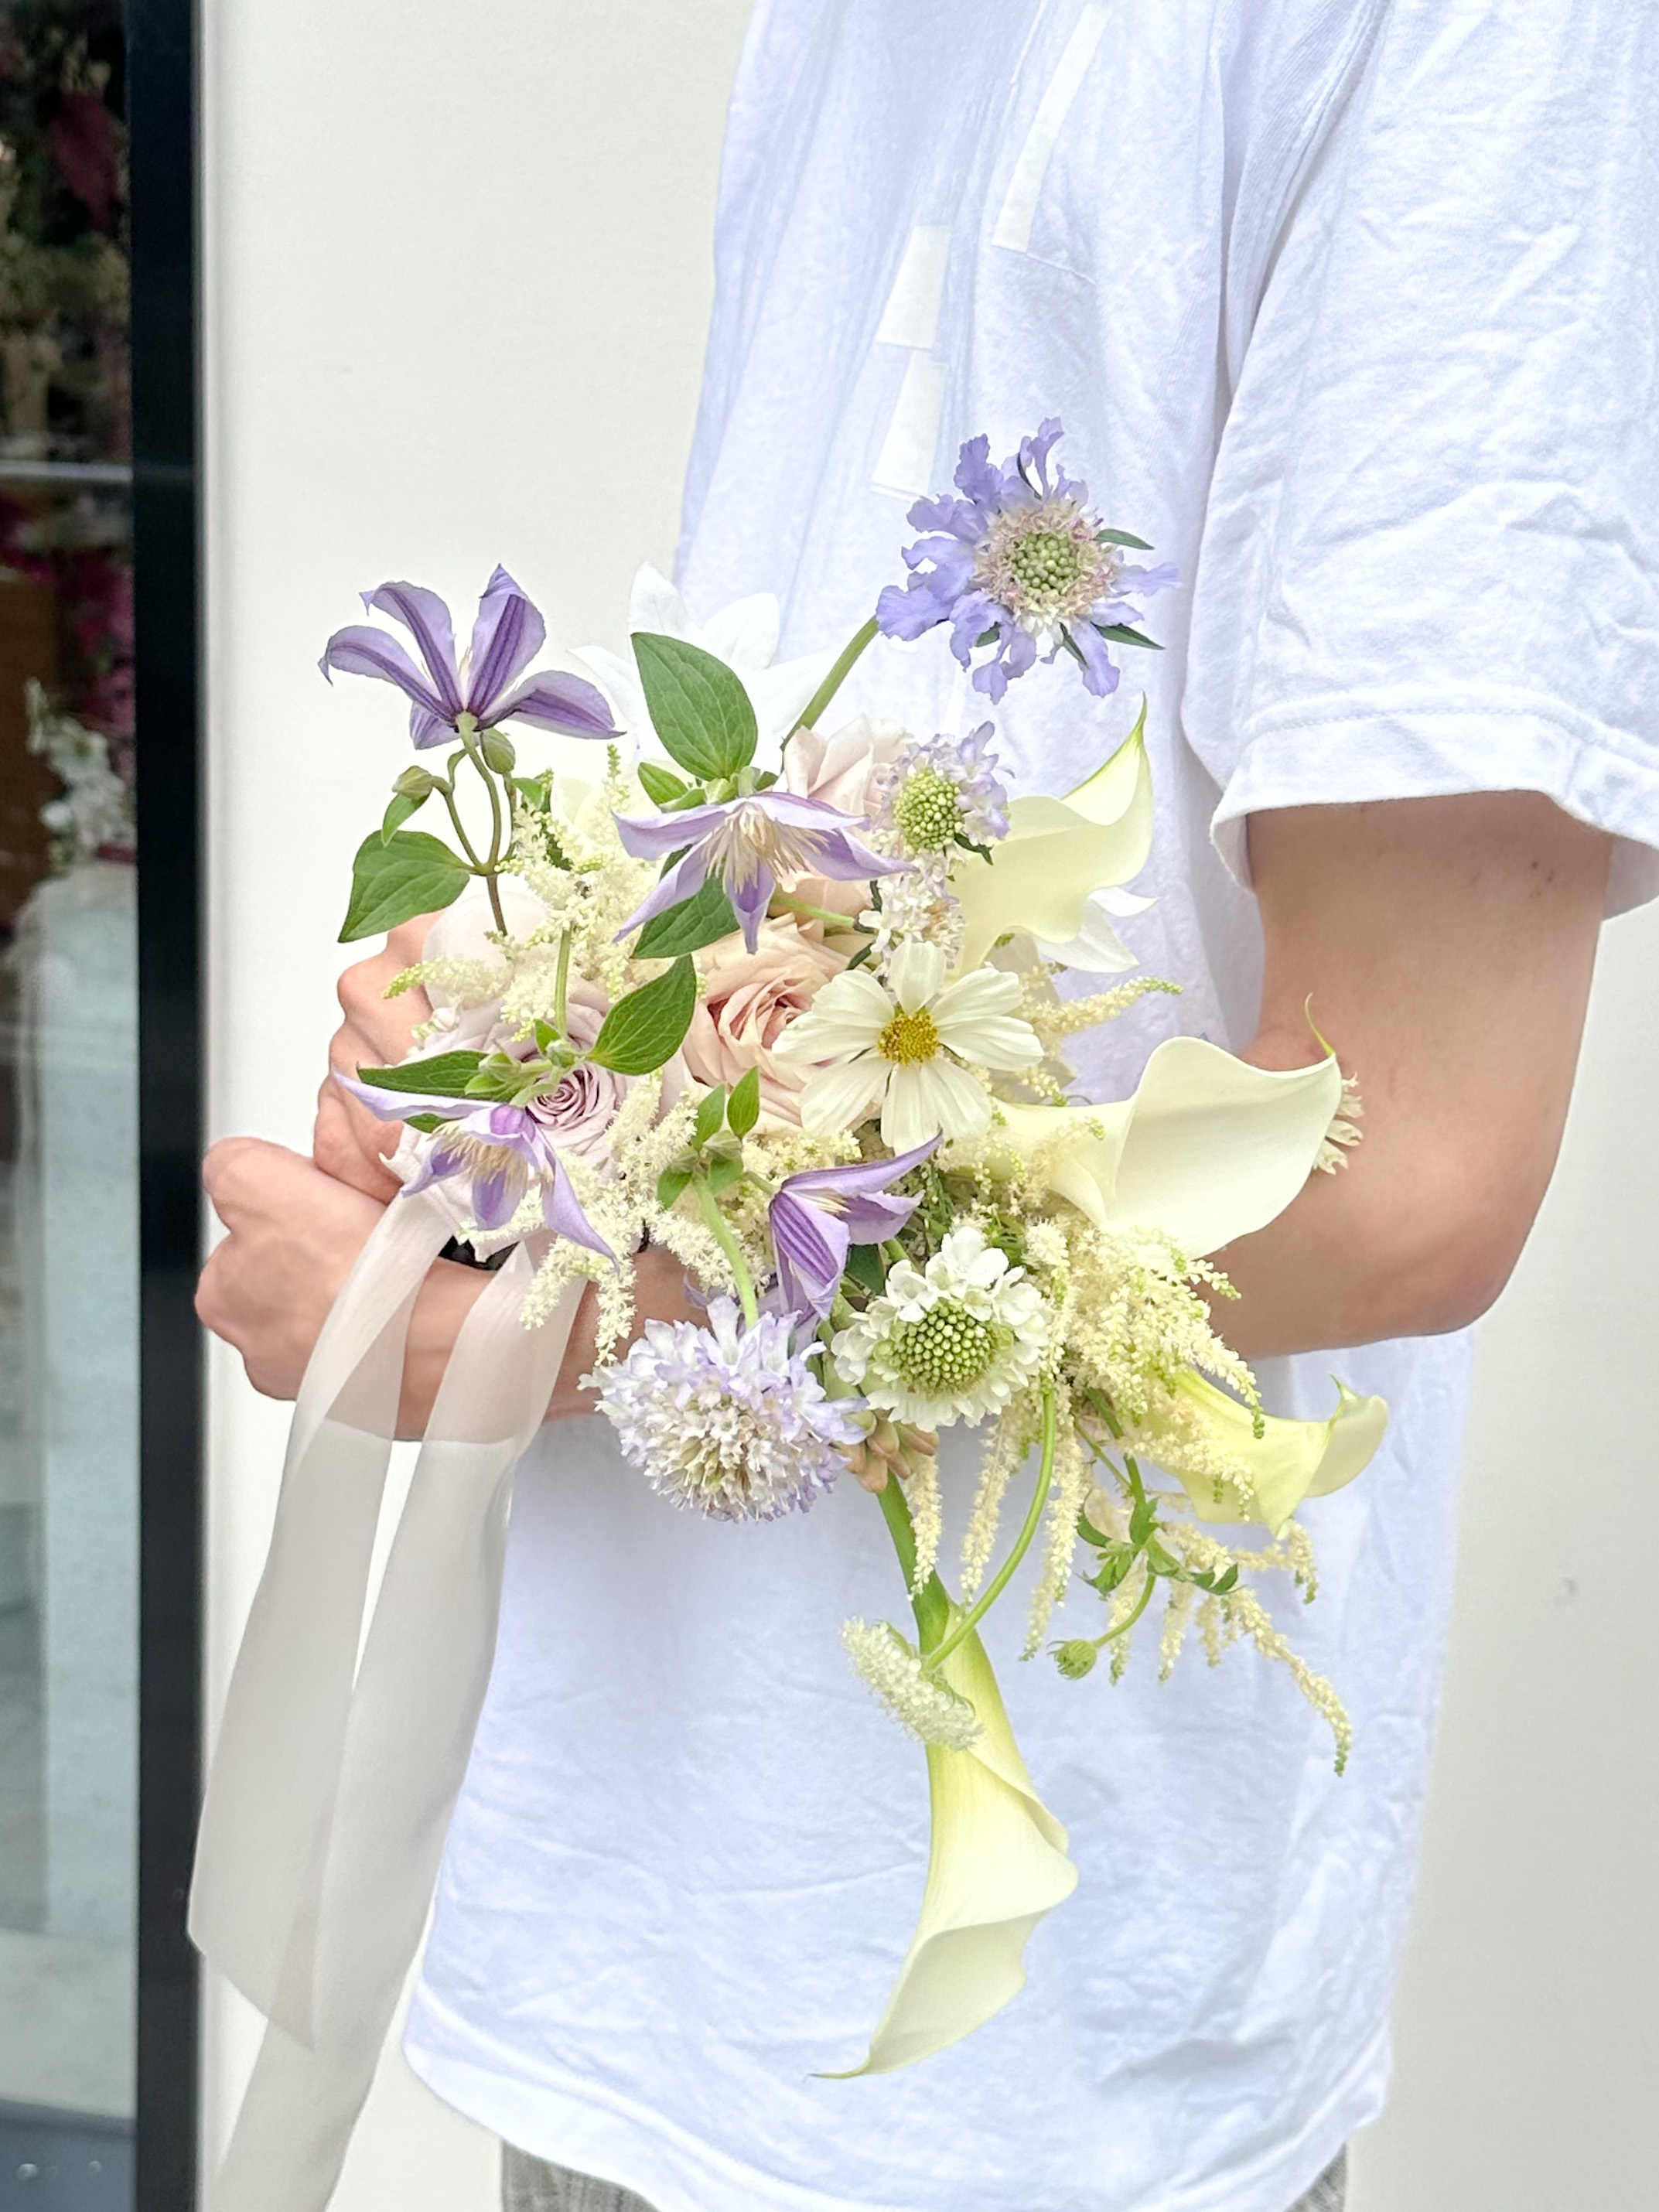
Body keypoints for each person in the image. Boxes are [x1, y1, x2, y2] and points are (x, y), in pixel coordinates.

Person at [196, 2, 1659, 2208]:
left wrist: (555, 1320)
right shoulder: (850, 31)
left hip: (1017, 2057)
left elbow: (1401, 1160)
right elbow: (847, 809)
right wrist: (536, 1060)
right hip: (657, 1887)